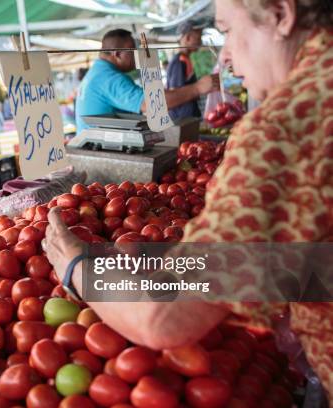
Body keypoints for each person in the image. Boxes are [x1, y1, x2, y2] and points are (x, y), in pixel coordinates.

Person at [45, 0, 333, 399]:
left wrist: (77, 265)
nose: (226, 58)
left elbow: (165, 314)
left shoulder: (287, 125)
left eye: (227, 31)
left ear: (281, 16)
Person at [75, 29, 218, 134]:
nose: (137, 56)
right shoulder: (110, 79)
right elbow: (152, 104)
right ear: (117, 54)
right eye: (132, 51)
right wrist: (197, 88)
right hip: (101, 152)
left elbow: (148, 95)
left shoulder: (97, 72)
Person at [166, 20, 205, 121]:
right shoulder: (179, 61)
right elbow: (175, 93)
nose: (201, 42)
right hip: (183, 120)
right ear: (187, 38)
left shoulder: (185, 59)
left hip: (188, 118)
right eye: (199, 38)